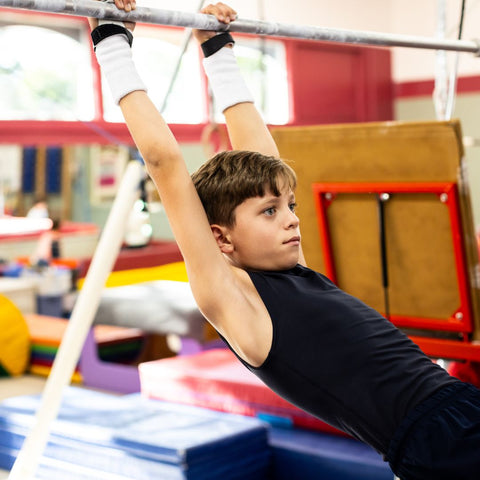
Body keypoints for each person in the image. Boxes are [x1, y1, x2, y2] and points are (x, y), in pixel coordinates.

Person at [88, 3, 480, 479]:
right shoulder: (235, 299)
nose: (292, 220)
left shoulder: (295, 272)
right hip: (440, 440)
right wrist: (111, 40)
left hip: (460, 407)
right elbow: (165, 162)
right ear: (221, 238)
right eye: (270, 212)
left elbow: (261, 153)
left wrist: (216, 48)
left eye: (289, 206)